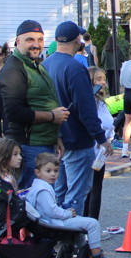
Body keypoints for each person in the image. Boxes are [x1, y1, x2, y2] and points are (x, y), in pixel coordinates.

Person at [42, 22, 111, 215]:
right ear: (77, 40)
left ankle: (56, 231)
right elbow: (85, 108)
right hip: (77, 140)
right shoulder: (75, 68)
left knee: (58, 194)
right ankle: (73, 233)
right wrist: (101, 138)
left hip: (55, 140)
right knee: (75, 197)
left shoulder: (45, 65)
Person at [0, 20, 70, 189]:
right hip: (28, 146)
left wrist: (56, 137)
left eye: (40, 39)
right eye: (30, 39)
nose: (36, 44)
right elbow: (14, 112)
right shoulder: (13, 70)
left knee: (43, 195)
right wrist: (52, 116)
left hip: (44, 143)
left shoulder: (35, 65)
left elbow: (44, 101)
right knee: (31, 196)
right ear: (18, 41)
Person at [26, 153, 117, 258]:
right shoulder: (44, 190)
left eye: (56, 171)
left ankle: (81, 251)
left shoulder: (36, 185)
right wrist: (68, 213)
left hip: (46, 222)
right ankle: (96, 257)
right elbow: (51, 211)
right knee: (93, 223)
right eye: (48, 171)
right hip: (53, 222)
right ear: (37, 172)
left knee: (79, 223)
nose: (53, 174)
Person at [86, 67, 114, 219]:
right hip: (90, 152)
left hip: (101, 154)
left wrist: (108, 139)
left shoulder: (101, 101)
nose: (103, 82)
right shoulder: (89, 102)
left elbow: (109, 124)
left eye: (104, 79)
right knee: (87, 191)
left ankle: (93, 225)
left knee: (96, 189)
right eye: (98, 79)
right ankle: (84, 226)